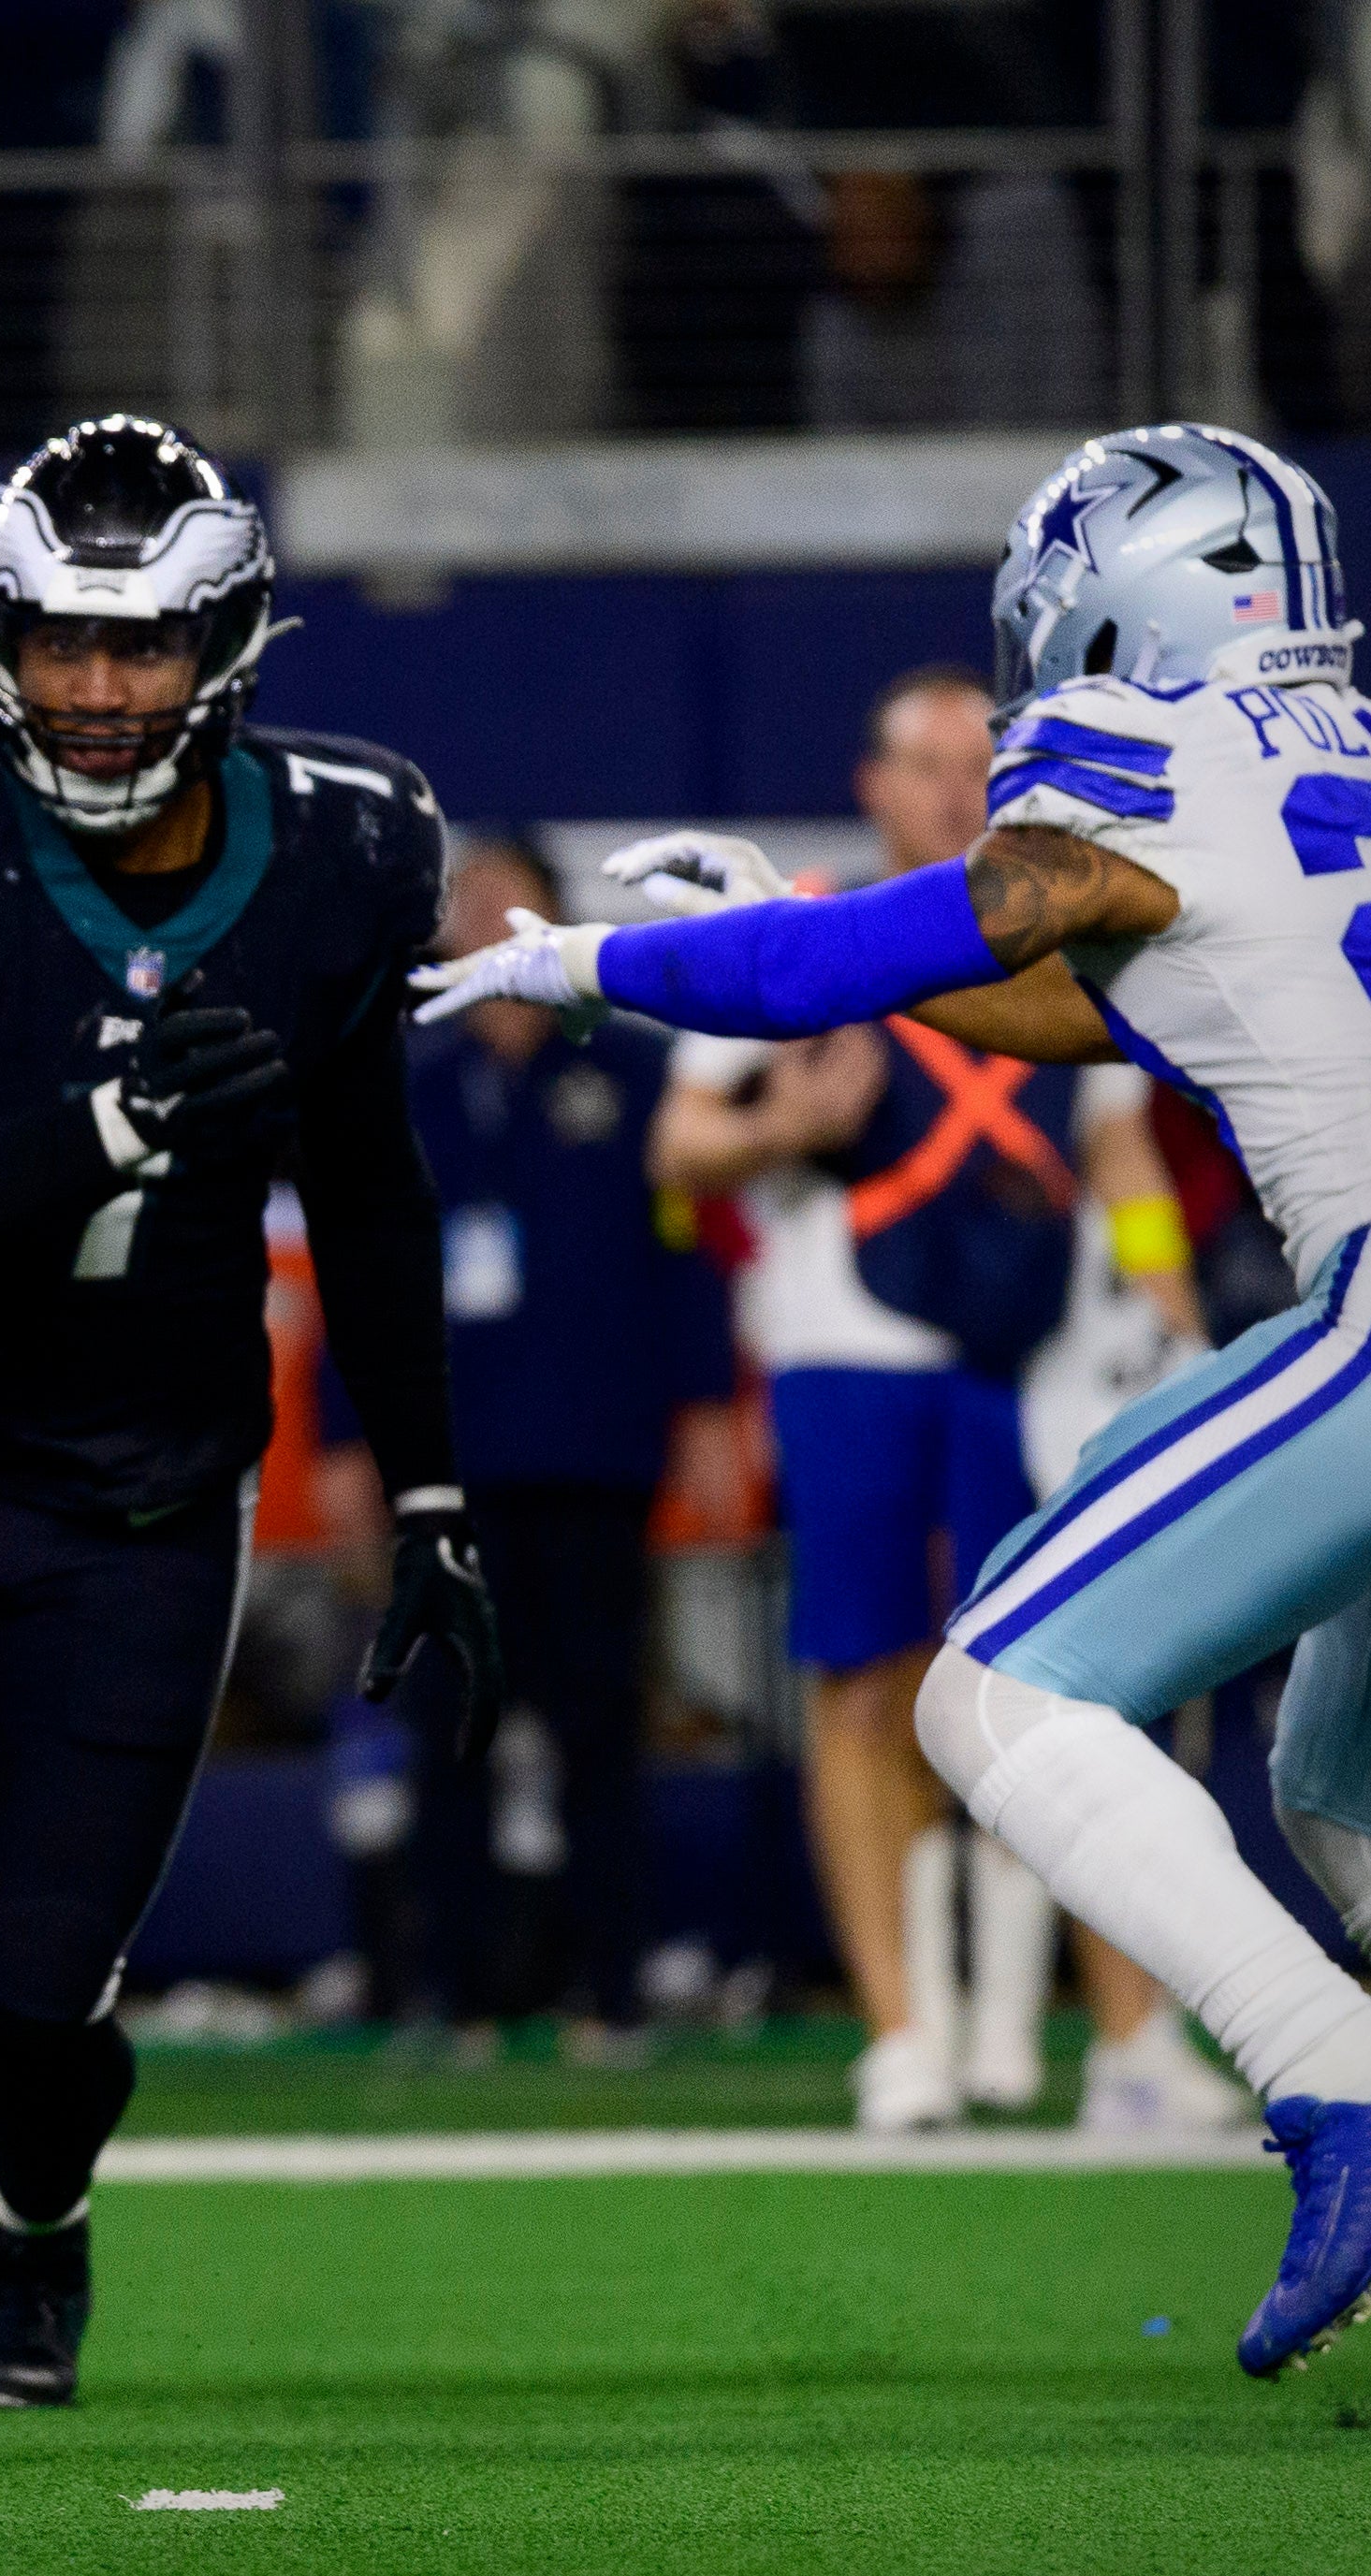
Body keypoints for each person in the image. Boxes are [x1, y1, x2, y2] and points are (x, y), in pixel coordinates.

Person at [415, 423, 1371, 2377]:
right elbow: (1082, 979)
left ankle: (1333, 2079)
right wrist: (793, 908)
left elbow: (952, 931)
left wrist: (605, 953)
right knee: (1331, 1780)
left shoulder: (1145, 748)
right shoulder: (1323, 751)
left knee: (991, 1690)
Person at [0, 417, 497, 2411]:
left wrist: (431, 1490)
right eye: (61, 641)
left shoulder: (341, 846)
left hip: (144, 1502)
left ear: (224, 644)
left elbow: (377, 1199)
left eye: (142, 647)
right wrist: (121, 1118)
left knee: (68, 1987)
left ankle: (27, 2254)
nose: (99, 686)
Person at [646, 665, 1236, 2136]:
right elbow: (678, 1147)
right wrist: (793, 1121)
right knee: (860, 1676)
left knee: (1091, 1684)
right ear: (873, 782)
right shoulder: (801, 927)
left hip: (1038, 1358)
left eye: (987, 760)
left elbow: (1120, 1154)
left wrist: (1171, 1311)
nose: (961, 787)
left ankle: (1130, 2045)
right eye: (930, 761)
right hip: (849, 1343)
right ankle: (900, 2037)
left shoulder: (1069, 937)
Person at [371, 833, 745, 2054]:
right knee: (449, 1727)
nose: (480, 922)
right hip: (446, 1457)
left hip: (595, 1441)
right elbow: (354, 1279)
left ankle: (614, 1987)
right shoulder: (404, 1083)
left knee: (596, 1724)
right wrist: (339, 1434)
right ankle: (457, 1994)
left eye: (504, 900)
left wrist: (706, 1415)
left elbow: (687, 1257)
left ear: (549, 921)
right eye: (462, 904)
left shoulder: (631, 1072)